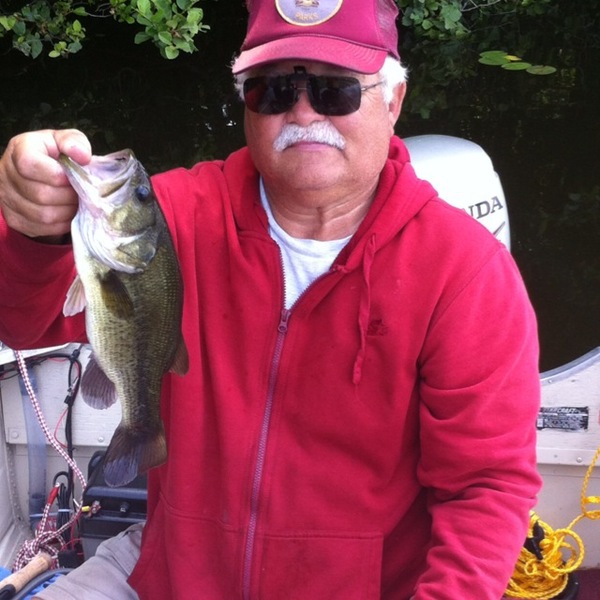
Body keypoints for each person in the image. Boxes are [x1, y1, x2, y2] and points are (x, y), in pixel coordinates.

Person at [0, 0, 542, 598]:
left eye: (336, 90)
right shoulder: (172, 218)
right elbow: (24, 324)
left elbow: (485, 489)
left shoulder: (464, 271)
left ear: (393, 101)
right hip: (171, 568)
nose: (303, 111)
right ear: (246, 103)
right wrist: (32, 231)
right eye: (274, 89)